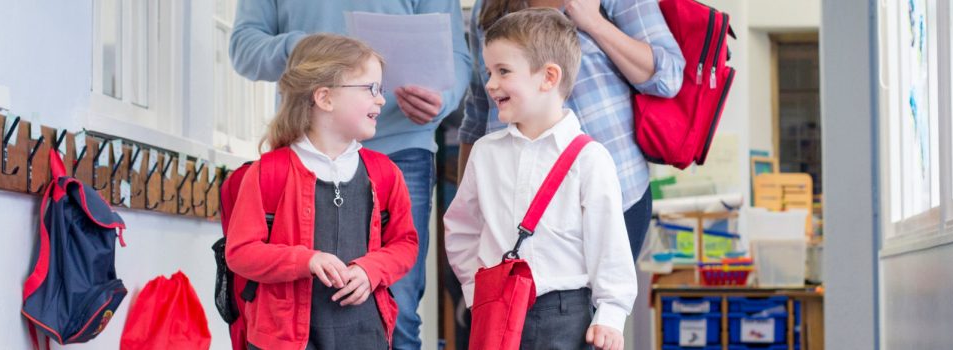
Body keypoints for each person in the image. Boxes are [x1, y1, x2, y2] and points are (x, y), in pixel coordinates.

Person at [229, 3, 471, 347]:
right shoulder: (269, 173)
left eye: (380, 88)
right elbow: (242, 252)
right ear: (324, 97)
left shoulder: (386, 175)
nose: (380, 99)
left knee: (401, 314)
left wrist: (443, 100)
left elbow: (404, 245)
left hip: (406, 144)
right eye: (370, 88)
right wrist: (308, 48)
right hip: (285, 337)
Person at [445, 9, 637, 350]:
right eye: (489, 71)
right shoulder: (485, 152)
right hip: (495, 309)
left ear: (548, 77)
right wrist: (477, 294)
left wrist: (611, 313)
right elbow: (462, 229)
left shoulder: (590, 159)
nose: (490, 83)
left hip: (563, 312)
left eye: (503, 71)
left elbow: (609, 245)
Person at [460, 0, 683, 259]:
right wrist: (469, 203)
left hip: (613, 190)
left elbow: (669, 77)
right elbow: (478, 107)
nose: (493, 82)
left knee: (600, 297)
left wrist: (594, 23)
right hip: (516, 199)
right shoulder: (487, 6)